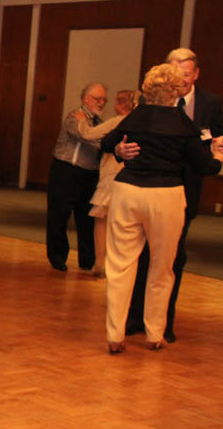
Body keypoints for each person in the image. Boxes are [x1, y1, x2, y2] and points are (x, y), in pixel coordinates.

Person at [100, 64, 223, 354]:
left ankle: (114, 334)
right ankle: (155, 333)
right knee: (162, 266)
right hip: (165, 195)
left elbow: (106, 143)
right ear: (176, 90)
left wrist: (119, 151)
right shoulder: (182, 124)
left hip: (127, 192)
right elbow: (203, 166)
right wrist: (218, 155)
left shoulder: (133, 118)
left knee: (120, 265)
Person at [73, 90, 138, 277]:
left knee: (102, 221)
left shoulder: (118, 121)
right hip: (129, 177)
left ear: (123, 104)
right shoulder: (140, 122)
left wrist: (81, 120)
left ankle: (101, 262)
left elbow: (88, 134)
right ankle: (117, 264)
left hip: (112, 175)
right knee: (123, 224)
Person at [45, 82, 108, 271]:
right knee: (59, 215)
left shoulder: (100, 122)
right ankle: (57, 258)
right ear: (86, 99)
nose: (102, 103)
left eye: (104, 99)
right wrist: (109, 140)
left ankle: (87, 261)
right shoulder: (74, 117)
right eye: (98, 99)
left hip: (89, 175)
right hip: (66, 171)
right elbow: (88, 137)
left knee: (87, 218)